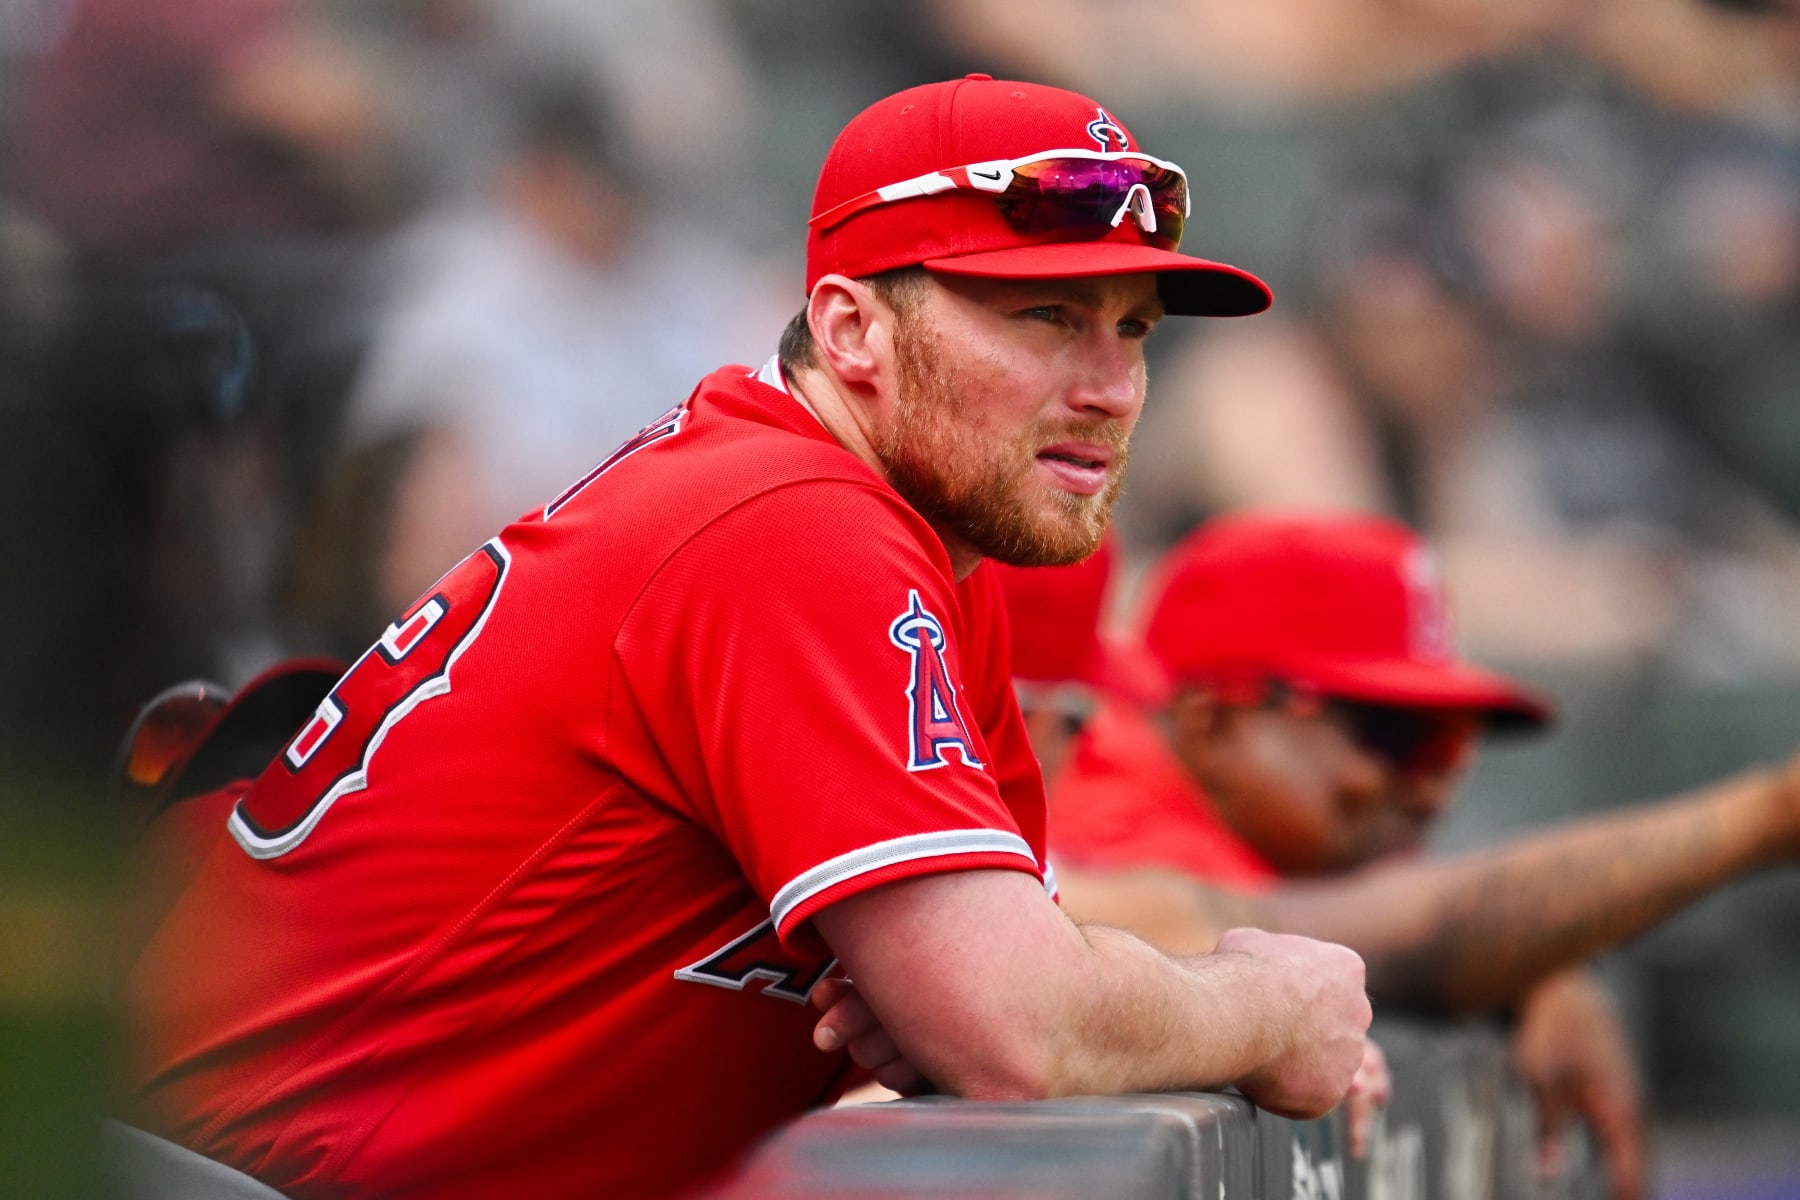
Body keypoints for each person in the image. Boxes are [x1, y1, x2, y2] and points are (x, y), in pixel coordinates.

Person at [120, 76, 1372, 1200]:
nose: (1107, 386)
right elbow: (1021, 1030)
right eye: (1044, 316)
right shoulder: (798, 526)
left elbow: (994, 999)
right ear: (851, 332)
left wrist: (1011, 997)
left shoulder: (934, 562)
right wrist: (1263, 1005)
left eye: (1134, 329)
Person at [999, 511, 1800, 1200]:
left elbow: (1409, 921)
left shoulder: (1254, 834)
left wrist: (1537, 966)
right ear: (1213, 723)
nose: (1430, 789)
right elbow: (1407, 934)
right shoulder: (1108, 800)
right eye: (1395, 736)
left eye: (1452, 745)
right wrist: (1767, 819)